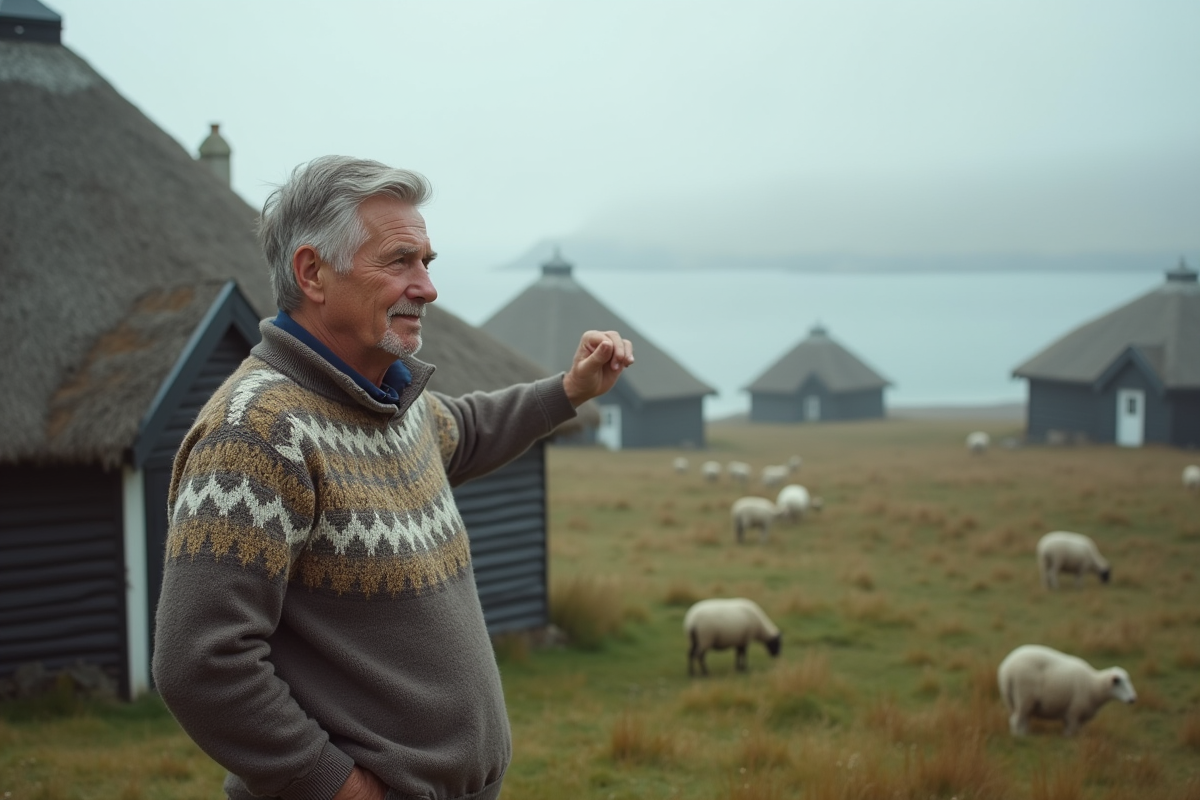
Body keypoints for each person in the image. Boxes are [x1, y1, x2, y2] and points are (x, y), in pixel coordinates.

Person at [152, 155, 633, 800]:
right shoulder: (257, 433)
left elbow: (467, 429)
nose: (427, 287)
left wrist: (570, 390)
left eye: (426, 262)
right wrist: (340, 787)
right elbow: (199, 663)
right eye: (399, 261)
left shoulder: (386, 400)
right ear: (313, 272)